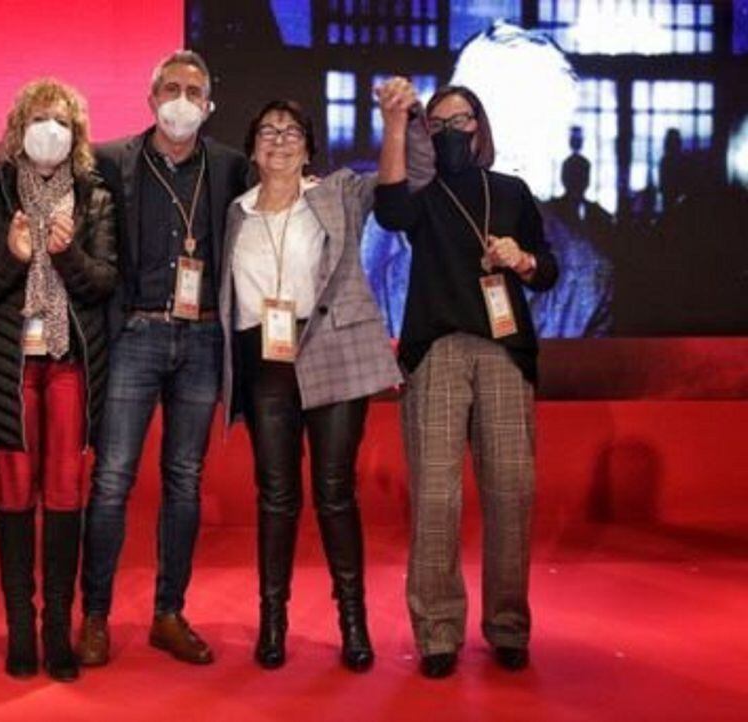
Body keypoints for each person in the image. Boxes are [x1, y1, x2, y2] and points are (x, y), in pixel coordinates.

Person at [375, 81, 559, 679]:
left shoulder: (512, 192)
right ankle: (436, 631)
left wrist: (521, 259)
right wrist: (396, 122)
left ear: (480, 127)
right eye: (440, 123)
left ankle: (508, 625)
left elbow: (547, 270)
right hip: (437, 349)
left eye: (462, 120)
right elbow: (389, 207)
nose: (453, 130)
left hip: (504, 350)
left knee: (511, 491)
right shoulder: (424, 197)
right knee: (435, 495)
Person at [217, 97, 408, 672]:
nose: (279, 139)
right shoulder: (235, 212)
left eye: (291, 130)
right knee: (275, 497)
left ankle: (353, 623)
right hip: (263, 359)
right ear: (252, 148)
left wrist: (395, 123)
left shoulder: (338, 192)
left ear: (308, 146)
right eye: (267, 130)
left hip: (331, 348)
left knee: (334, 491)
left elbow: (396, 195)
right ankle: (272, 622)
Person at [76, 50, 248, 666]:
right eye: (171, 89)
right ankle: (94, 616)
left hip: (203, 340)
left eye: (193, 91)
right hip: (135, 336)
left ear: (209, 104)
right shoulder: (110, 160)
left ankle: (168, 614)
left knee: (184, 482)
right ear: (151, 99)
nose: (181, 100)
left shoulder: (231, 167)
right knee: (113, 480)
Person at [0, 78, 117, 682]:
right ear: (19, 127)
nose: (50, 130)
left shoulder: (95, 197)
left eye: (62, 121)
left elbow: (103, 283)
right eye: (39, 119)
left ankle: (57, 632)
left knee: (67, 493)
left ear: (76, 135)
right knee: (16, 494)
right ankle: (21, 628)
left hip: (70, 364)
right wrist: (14, 257)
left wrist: (67, 254)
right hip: (9, 368)